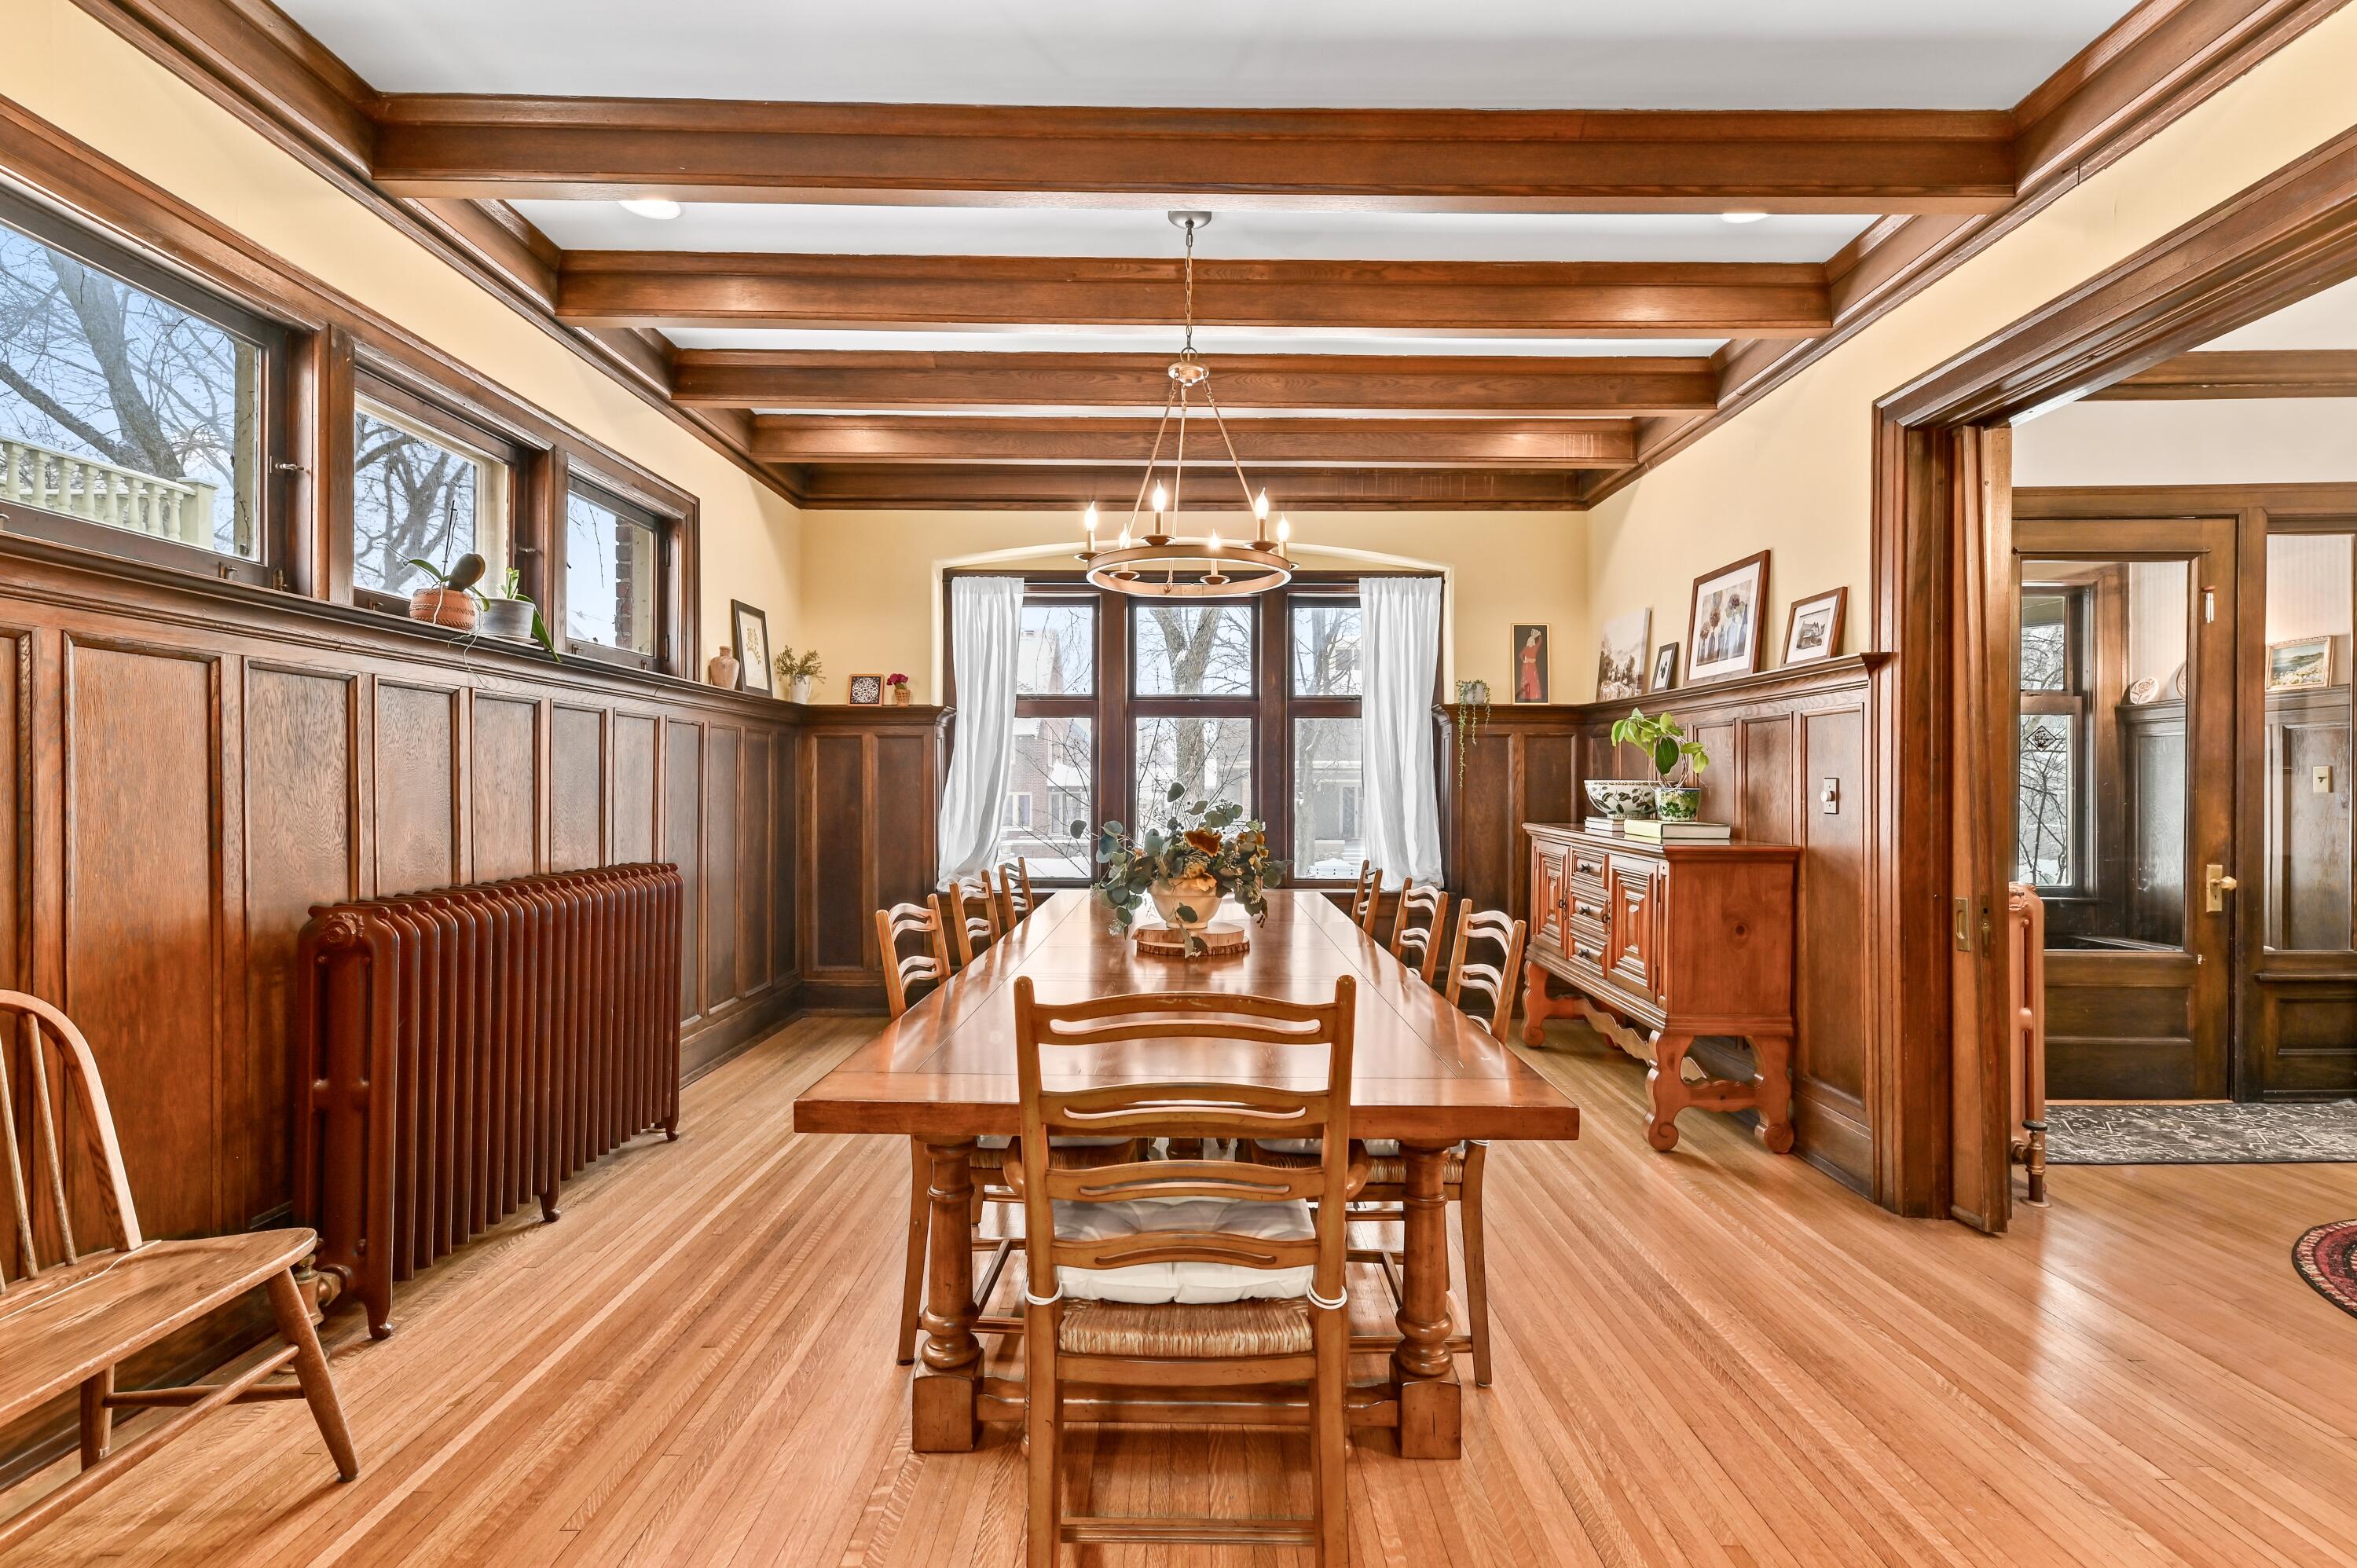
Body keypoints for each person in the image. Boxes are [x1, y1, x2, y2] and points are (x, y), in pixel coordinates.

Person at [1517, 628, 1545, 702]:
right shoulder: (1534, 648)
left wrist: (1524, 660)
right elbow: (1540, 642)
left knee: (1528, 680)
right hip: (1531, 666)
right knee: (1532, 680)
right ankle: (1532, 696)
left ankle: (1527, 696)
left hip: (1527, 666)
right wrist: (1540, 636)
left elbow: (1520, 655)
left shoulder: (1526, 648)